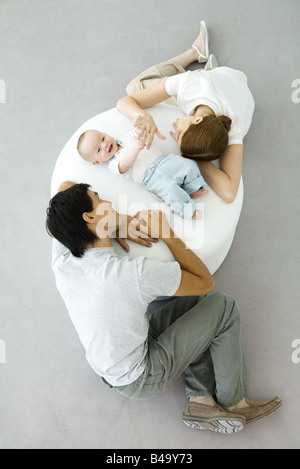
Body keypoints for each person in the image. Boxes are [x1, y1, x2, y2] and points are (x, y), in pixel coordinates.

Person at [46, 181, 281, 434]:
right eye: (99, 198)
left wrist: (114, 223)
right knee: (224, 305)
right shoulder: (130, 274)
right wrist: (167, 232)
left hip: (109, 363)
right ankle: (235, 403)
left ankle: (200, 402)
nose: (109, 202)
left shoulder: (63, 259)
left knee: (196, 306)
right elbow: (204, 282)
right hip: (141, 376)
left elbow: (64, 188)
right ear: (89, 216)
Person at [117, 20, 255, 204]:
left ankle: (206, 65)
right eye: (180, 133)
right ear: (197, 120)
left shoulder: (236, 125)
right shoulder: (189, 85)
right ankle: (194, 52)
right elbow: (125, 102)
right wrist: (143, 116)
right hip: (220, 78)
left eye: (178, 135)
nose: (176, 129)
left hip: (234, 86)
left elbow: (229, 193)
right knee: (133, 87)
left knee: (141, 92)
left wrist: (194, 155)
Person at [77, 128, 208, 219]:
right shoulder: (113, 164)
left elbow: (138, 132)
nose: (105, 145)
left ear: (106, 133)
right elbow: (125, 165)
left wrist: (140, 129)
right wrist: (135, 150)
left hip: (164, 161)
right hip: (152, 179)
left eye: (103, 138)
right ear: (97, 162)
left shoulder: (126, 137)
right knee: (170, 192)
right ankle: (187, 210)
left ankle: (191, 188)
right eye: (99, 150)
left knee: (189, 165)